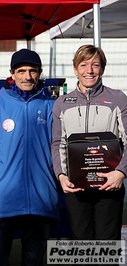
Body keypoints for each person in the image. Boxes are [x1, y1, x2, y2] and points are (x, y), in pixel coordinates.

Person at [0, 48, 59, 266]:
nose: (27, 76)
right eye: (21, 71)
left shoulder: (52, 107)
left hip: (41, 198)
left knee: (33, 261)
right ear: (12, 73)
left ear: (40, 73)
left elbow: (60, 151)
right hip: (2, 200)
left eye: (32, 71)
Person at [51, 44, 127, 241]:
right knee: (82, 248)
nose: (89, 70)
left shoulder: (118, 98)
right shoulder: (61, 103)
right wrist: (61, 175)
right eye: (83, 65)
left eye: (95, 65)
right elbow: (58, 143)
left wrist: (121, 173)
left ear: (102, 68)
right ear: (75, 69)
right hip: (77, 187)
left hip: (110, 186)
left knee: (106, 249)